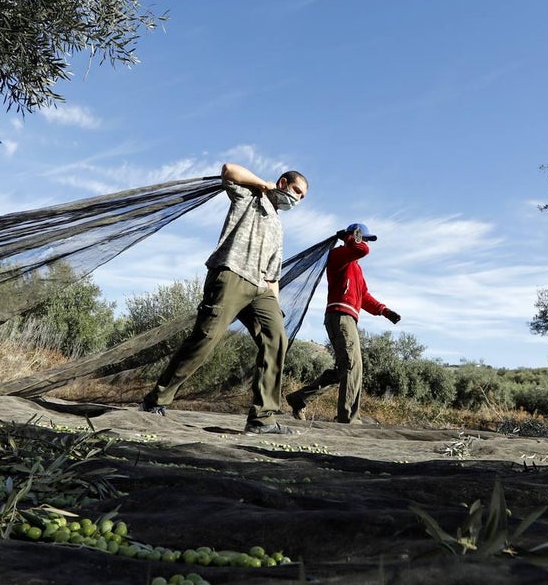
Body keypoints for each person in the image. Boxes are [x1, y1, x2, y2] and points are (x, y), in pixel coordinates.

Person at [140, 162, 308, 434]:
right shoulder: (249, 195)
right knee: (205, 337)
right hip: (231, 273)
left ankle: (262, 419)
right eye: (297, 191)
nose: (297, 199)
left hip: (261, 288)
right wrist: (261, 185)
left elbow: (273, 274)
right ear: (282, 183)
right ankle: (155, 401)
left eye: (302, 197)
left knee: (277, 338)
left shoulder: (279, 225)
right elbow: (229, 169)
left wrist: (274, 304)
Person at [286, 223, 401, 424]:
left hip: (347, 318)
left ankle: (300, 398)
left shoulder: (355, 266)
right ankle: (348, 418)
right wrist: (351, 239)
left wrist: (384, 310)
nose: (364, 242)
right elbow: (362, 249)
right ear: (353, 237)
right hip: (340, 316)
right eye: (362, 237)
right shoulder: (338, 256)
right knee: (352, 366)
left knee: (344, 369)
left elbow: (363, 296)